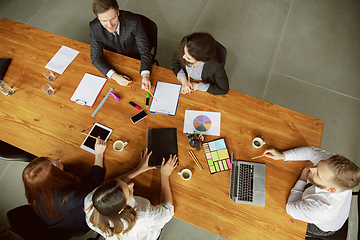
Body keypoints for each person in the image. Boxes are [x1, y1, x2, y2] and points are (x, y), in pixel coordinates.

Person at [263, 147, 360, 238]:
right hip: (335, 213)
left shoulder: (321, 210)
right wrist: (282, 155)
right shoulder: (329, 165)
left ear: (331, 190)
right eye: (318, 165)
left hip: (322, 226)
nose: (311, 168)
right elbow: (310, 152)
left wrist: (302, 179)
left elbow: (290, 207)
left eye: (318, 174)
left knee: (281, 223)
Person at [84, 149, 178, 240]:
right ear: (121, 210)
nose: (131, 184)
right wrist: (164, 174)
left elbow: (113, 186)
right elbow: (168, 209)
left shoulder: (91, 200)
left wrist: (138, 169)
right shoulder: (142, 217)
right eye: (129, 192)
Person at [22, 137, 107, 237]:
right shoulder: (70, 196)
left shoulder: (35, 186)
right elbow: (94, 182)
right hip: (78, 225)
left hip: (57, 218)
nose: (59, 160)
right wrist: (99, 154)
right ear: (55, 179)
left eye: (53, 159)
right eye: (57, 165)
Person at [90, 0, 153, 90]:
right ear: (98, 18)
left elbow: (145, 50)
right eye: (104, 21)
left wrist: (145, 76)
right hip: (114, 61)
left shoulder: (134, 22)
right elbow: (96, 58)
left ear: (118, 12)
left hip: (136, 59)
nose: (110, 25)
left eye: (112, 18)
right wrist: (115, 76)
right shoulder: (94, 27)